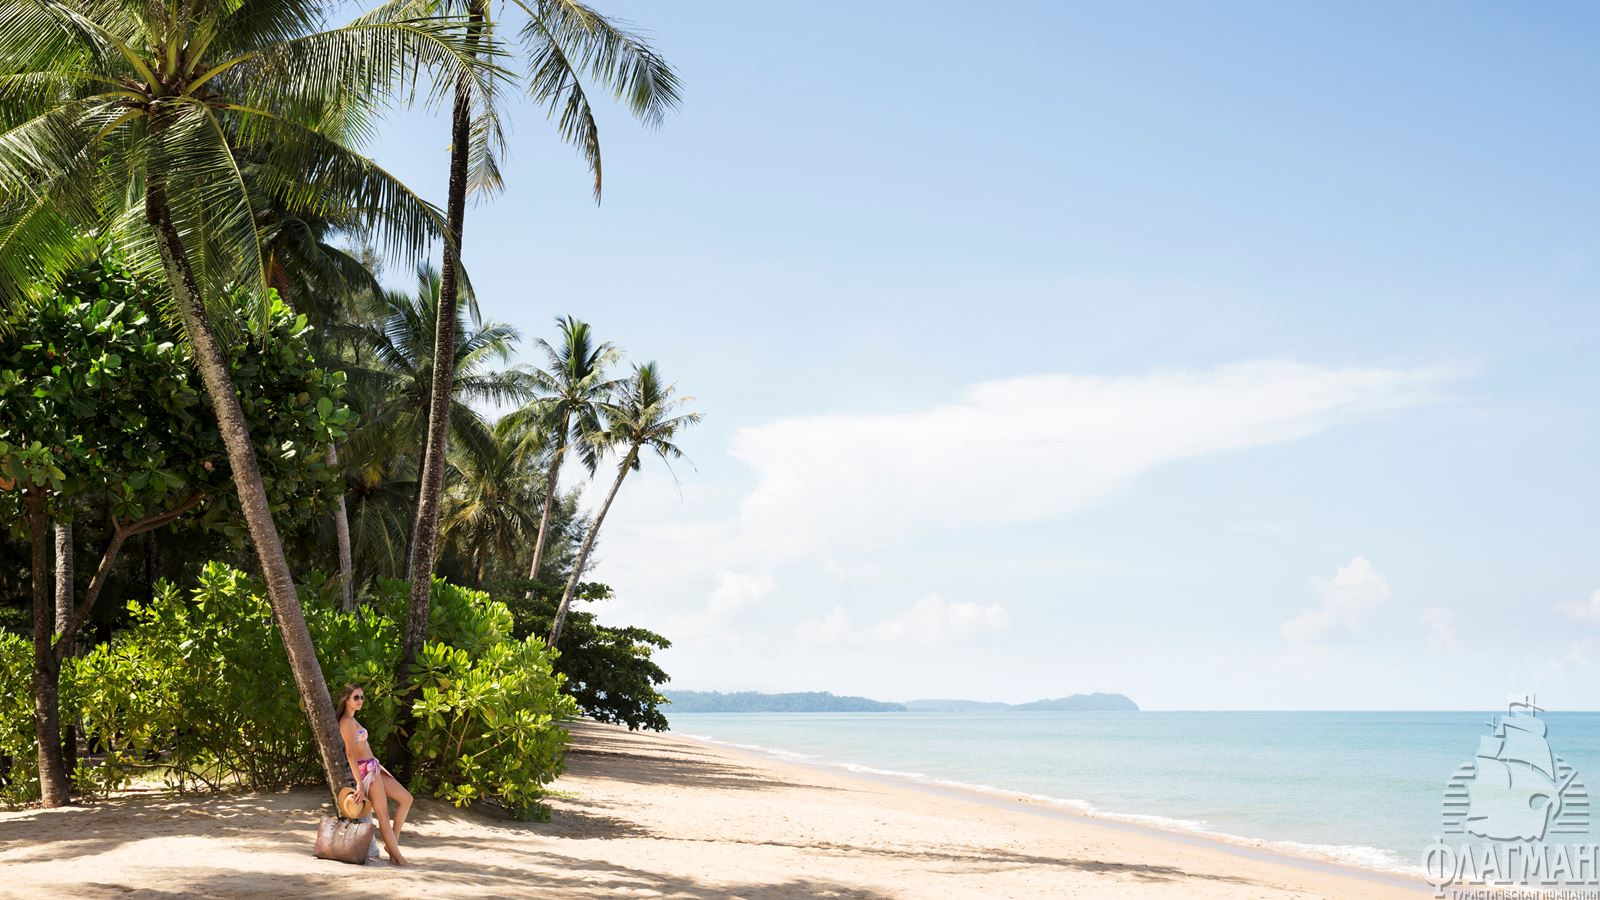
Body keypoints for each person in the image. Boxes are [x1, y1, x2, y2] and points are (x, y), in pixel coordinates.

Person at [336, 684, 413, 866]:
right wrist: (359, 783)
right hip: (366, 771)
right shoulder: (346, 722)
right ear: (346, 699)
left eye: (362, 697)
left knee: (406, 799)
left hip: (374, 767)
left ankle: (392, 846)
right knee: (383, 816)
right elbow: (350, 754)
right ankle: (400, 860)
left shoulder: (352, 720)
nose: (360, 701)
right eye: (356, 697)